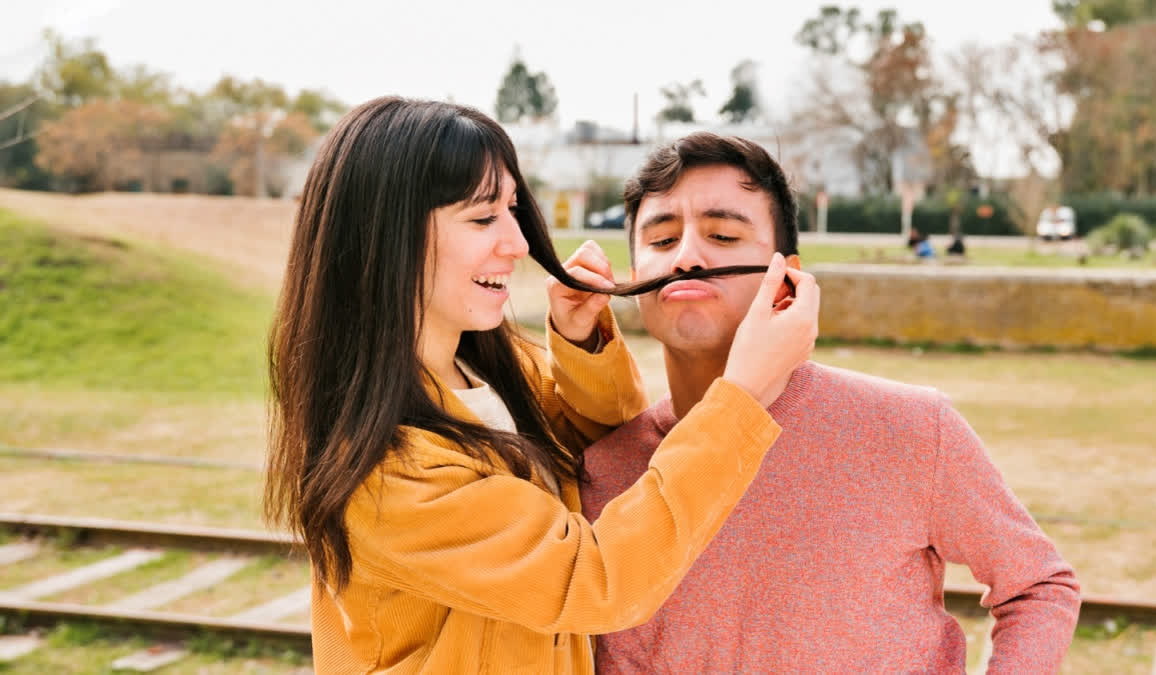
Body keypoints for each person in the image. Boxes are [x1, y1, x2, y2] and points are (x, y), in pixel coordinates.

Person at [263, 99, 820, 673]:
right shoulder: (387, 474)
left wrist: (582, 342)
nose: (519, 242)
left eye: (512, 210)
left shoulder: (494, 376)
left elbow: (611, 445)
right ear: (385, 237)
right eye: (483, 219)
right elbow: (596, 582)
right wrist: (744, 396)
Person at [581, 132, 1081, 673]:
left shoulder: (909, 428)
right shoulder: (601, 472)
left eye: (723, 234)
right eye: (660, 240)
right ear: (631, 281)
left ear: (788, 276)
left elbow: (1038, 586)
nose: (687, 257)